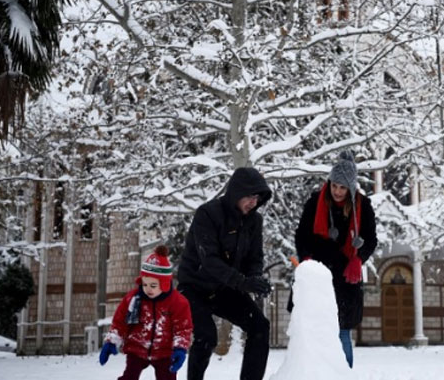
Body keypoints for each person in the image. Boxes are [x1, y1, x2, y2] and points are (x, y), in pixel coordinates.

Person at [177, 167, 273, 380]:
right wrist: (243, 283)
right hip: (194, 288)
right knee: (206, 336)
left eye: (257, 197)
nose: (253, 202)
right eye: (249, 196)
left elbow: (254, 257)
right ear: (237, 193)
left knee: (260, 327)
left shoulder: (254, 221)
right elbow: (209, 260)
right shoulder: (208, 214)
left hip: (225, 289)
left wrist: (256, 279)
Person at [293, 151, 378, 368]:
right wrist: (306, 261)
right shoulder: (315, 203)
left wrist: (358, 259)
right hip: (318, 275)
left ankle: (343, 374)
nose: (338, 191)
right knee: (313, 332)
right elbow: (302, 235)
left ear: (350, 187)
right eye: (334, 186)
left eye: (342, 187)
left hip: (345, 278)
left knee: (341, 332)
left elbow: (370, 239)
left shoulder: (363, 207)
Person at [100, 245, 193, 380]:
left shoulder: (178, 302)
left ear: (165, 283)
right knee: (129, 376)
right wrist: (111, 341)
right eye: (145, 284)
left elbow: (182, 328)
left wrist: (180, 348)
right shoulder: (134, 299)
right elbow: (120, 322)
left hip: (165, 352)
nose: (148, 289)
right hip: (137, 348)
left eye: (153, 285)